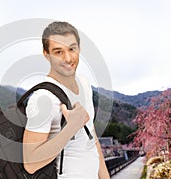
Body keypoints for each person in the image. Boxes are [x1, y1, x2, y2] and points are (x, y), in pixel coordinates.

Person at [22, 21, 110, 179]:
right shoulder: (43, 98)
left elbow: (92, 138)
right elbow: (30, 162)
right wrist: (71, 128)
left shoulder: (84, 84)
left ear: (79, 49)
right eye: (58, 52)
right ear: (46, 54)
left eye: (72, 49)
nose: (68, 58)